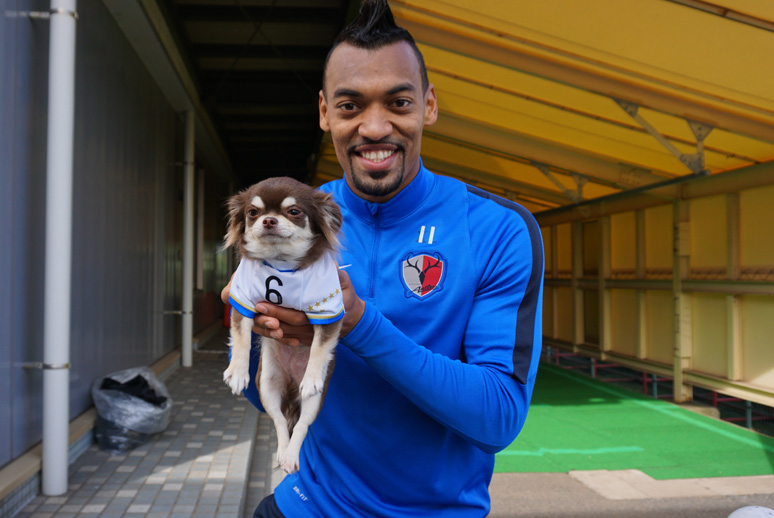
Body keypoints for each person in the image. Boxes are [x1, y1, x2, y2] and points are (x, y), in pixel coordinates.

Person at [222, 1, 544, 516]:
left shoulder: (497, 228)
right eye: (350, 106)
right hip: (307, 505)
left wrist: (358, 324)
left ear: (428, 105)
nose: (374, 128)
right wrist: (259, 331)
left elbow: (498, 418)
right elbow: (266, 397)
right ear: (325, 113)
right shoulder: (294, 224)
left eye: (398, 102)